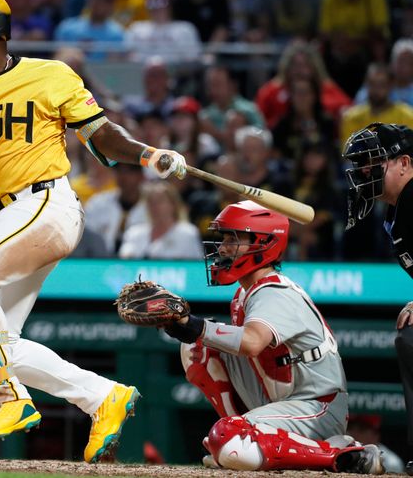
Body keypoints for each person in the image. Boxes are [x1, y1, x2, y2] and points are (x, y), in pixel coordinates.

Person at [0, 0, 186, 462]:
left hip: (46, 202)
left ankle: (7, 398)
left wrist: (147, 154)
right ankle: (103, 396)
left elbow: (99, 134)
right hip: (13, 218)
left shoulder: (49, 74)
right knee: (1, 345)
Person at [162, 200, 384, 474]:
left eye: (233, 239)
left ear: (264, 243)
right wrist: (189, 330)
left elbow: (252, 342)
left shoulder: (273, 291)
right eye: (224, 239)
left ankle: (345, 455)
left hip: (316, 407)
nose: (222, 248)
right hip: (280, 399)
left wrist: (196, 325)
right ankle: (239, 436)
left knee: (230, 440)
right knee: (196, 348)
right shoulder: (245, 293)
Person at [342, 123, 413, 474]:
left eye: (373, 165)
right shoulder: (398, 209)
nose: (363, 174)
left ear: (404, 163)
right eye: (360, 167)